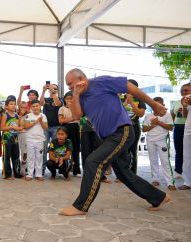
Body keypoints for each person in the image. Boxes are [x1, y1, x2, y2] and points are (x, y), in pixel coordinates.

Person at [60, 69, 169, 216]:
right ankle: (158, 198)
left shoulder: (101, 82)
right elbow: (78, 115)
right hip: (107, 138)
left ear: (80, 78)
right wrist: (76, 94)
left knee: (93, 162)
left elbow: (129, 86)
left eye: (70, 84)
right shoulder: (80, 96)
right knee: (124, 174)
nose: (69, 88)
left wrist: (153, 105)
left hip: (121, 132)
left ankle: (80, 206)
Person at [142, 97, 175, 190]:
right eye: (154, 105)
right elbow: (144, 129)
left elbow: (171, 127)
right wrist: (153, 125)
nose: (156, 107)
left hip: (162, 140)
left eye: (159, 104)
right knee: (153, 160)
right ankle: (155, 179)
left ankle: (170, 182)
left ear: (163, 105)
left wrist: (158, 122)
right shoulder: (148, 116)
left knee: (165, 161)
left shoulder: (167, 115)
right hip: (150, 140)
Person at [121, 79, 146, 175]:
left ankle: (132, 173)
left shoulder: (140, 99)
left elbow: (140, 114)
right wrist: (127, 100)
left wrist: (131, 102)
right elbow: (119, 112)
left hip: (134, 127)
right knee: (122, 151)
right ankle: (122, 174)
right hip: (122, 128)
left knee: (132, 150)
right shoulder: (121, 98)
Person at [80, 116, 110, 183]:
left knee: (100, 153)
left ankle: (101, 176)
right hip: (85, 129)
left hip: (98, 129)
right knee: (86, 153)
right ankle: (87, 176)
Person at [40, 83, 62, 175]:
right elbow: (40, 103)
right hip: (45, 127)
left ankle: (55, 169)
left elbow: (58, 104)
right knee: (44, 148)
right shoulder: (46, 99)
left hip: (56, 128)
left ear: (57, 91)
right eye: (51, 88)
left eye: (55, 88)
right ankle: (42, 169)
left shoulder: (59, 98)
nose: (53, 89)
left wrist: (53, 93)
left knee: (55, 149)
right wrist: (43, 91)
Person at [23, 100, 48, 181]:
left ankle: (38, 174)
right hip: (30, 139)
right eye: (33, 106)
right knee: (30, 157)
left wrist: (41, 122)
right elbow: (26, 126)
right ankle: (30, 174)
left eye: (37, 106)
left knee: (39, 157)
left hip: (40, 140)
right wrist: (36, 121)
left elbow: (45, 127)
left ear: (40, 106)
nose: (35, 108)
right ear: (31, 107)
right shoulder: (28, 116)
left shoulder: (43, 115)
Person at [58, 91, 81, 176]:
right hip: (65, 128)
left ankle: (76, 170)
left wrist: (71, 108)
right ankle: (62, 170)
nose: (69, 100)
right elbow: (61, 121)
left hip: (75, 128)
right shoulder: (62, 108)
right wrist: (72, 118)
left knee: (75, 149)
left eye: (71, 98)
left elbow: (78, 117)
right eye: (67, 99)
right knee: (63, 148)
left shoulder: (77, 108)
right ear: (64, 99)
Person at [171, 83, 191, 177]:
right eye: (182, 90)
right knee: (179, 149)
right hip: (178, 127)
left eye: (186, 90)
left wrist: (184, 108)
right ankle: (178, 171)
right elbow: (172, 115)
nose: (183, 92)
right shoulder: (176, 102)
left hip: (188, 126)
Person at [0, 98, 23, 179]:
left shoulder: (17, 115)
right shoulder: (5, 115)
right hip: (7, 138)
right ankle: (7, 174)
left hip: (15, 138)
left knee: (16, 155)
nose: (13, 105)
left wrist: (19, 128)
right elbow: (2, 128)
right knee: (7, 156)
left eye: (14, 104)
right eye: (11, 104)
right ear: (6, 106)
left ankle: (17, 173)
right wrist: (12, 127)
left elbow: (20, 127)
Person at [179, 94, 191, 190]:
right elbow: (184, 116)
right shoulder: (188, 97)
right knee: (187, 156)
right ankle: (187, 182)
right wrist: (184, 106)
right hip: (188, 130)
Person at [18, 101, 29, 176]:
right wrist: (20, 116)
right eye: (22, 107)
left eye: (25, 107)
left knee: (25, 152)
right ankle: (18, 169)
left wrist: (22, 116)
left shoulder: (28, 115)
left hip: (25, 134)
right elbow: (18, 125)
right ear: (19, 108)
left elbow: (24, 125)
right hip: (17, 135)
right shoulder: (16, 115)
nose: (23, 109)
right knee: (17, 152)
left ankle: (24, 169)